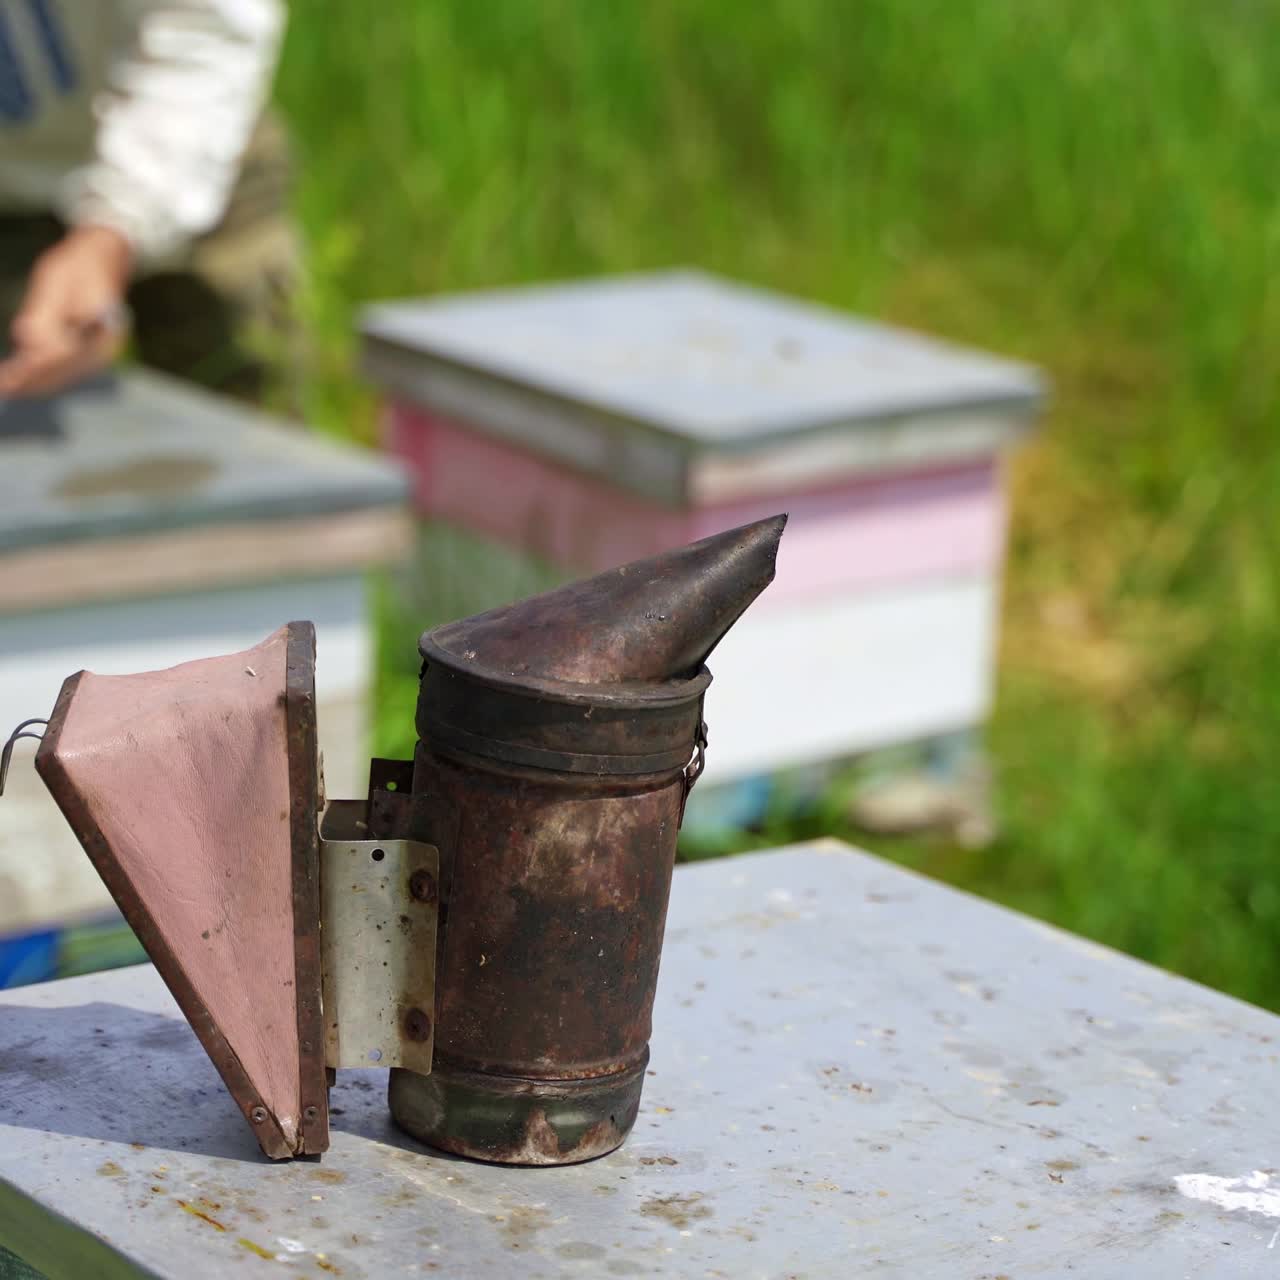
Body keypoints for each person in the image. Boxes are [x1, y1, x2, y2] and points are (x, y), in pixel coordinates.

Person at [0, 0, 292, 400]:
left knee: (243, 402)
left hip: (193, 134)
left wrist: (113, 228)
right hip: (12, 189)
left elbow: (203, 32)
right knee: (29, 401)